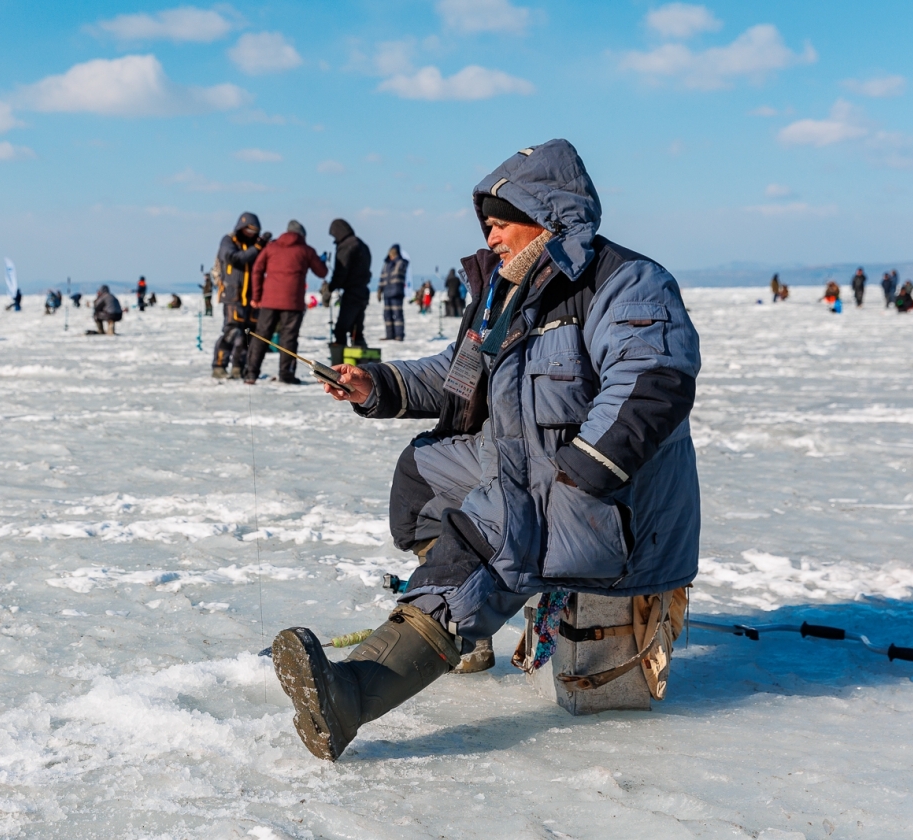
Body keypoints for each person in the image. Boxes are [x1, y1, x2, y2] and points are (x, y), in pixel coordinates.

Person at [270, 139, 700, 761]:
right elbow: (456, 376)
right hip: (527, 468)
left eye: (500, 224)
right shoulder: (506, 292)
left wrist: (578, 474)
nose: (491, 238)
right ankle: (464, 639)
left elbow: (651, 382)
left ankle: (354, 696)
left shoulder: (627, 281)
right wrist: (377, 385)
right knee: (423, 472)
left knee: (491, 533)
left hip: (612, 497)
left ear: (546, 216)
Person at [244, 219, 327, 385]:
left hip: (269, 301)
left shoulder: (271, 248)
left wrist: (257, 296)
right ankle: (286, 374)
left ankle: (251, 373)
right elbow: (322, 272)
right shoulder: (306, 250)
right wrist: (322, 260)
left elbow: (257, 270)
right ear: (302, 235)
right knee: (288, 339)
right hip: (293, 302)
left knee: (261, 336)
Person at [212, 212, 270, 378]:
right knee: (231, 332)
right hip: (233, 297)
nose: (251, 234)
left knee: (247, 335)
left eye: (254, 231)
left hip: (252, 298)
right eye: (248, 230)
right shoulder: (229, 241)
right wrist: (257, 248)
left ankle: (239, 367)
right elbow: (235, 259)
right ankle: (219, 365)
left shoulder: (257, 246)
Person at [328, 219, 372, 348]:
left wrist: (331, 286)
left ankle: (340, 361)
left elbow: (341, 271)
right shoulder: (362, 245)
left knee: (341, 329)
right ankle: (361, 360)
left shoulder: (347, 246)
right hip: (363, 291)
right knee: (357, 330)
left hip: (352, 292)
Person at [378, 244, 408, 340]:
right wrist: (379, 290)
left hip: (397, 292)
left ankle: (399, 335)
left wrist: (397, 258)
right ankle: (389, 335)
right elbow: (382, 278)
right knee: (387, 315)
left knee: (397, 314)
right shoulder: (386, 264)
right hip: (387, 293)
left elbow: (404, 265)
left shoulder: (401, 262)